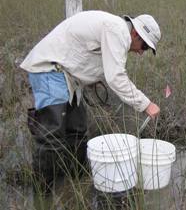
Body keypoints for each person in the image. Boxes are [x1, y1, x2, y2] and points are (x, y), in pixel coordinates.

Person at [20, 10, 161, 193]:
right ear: (136, 33)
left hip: (67, 77)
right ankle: (42, 195)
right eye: (144, 47)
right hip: (50, 70)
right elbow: (116, 78)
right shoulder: (117, 30)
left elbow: (93, 59)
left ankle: (75, 186)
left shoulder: (116, 31)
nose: (142, 53)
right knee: (51, 137)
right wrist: (146, 104)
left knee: (77, 131)